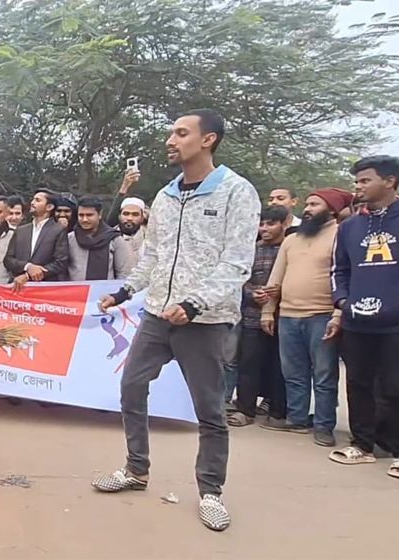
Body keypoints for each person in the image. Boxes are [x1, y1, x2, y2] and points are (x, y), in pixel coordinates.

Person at [93, 109, 260, 532]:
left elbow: (237, 262)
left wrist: (195, 303)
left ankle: (211, 492)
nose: (171, 140)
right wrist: (126, 292)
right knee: (131, 387)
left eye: (181, 133)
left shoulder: (237, 192)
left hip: (204, 321)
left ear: (208, 140)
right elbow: (153, 256)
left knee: (209, 409)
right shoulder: (165, 197)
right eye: (171, 133)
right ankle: (136, 469)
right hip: (156, 316)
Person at [330, 156, 399, 481]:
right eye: (357, 181)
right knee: (357, 384)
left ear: (389, 181)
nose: (358, 187)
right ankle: (362, 446)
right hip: (358, 321)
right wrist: (343, 302)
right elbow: (339, 269)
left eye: (365, 180)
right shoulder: (350, 226)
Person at [259, 188, 350, 445]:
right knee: (293, 373)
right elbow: (275, 278)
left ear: (331, 209)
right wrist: (268, 311)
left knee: (324, 375)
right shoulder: (292, 239)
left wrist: (338, 314)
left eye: (315, 204)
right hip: (288, 315)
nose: (308, 209)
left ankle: (323, 426)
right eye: (307, 204)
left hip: (322, 315)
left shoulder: (341, 235)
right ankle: (297, 419)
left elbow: (345, 276)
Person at [226, 206, 288, 428]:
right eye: (261, 224)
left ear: (284, 224)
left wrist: (280, 292)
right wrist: (253, 293)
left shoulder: (290, 249)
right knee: (248, 365)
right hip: (252, 317)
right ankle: (245, 410)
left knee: (280, 367)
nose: (264, 229)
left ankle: (278, 412)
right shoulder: (251, 250)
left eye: (271, 224)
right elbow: (239, 280)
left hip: (284, 317)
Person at [3, 187, 69, 291]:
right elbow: (8, 259)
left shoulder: (58, 230)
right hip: (17, 289)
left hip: (44, 290)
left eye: (37, 200)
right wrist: (27, 266)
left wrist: (28, 275)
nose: (32, 203)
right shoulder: (21, 230)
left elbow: (60, 262)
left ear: (49, 207)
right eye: (33, 199)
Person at [67, 195, 135, 281]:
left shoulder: (115, 239)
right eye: (81, 215)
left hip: (106, 288)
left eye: (89, 215)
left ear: (99, 215)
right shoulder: (70, 239)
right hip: (76, 288)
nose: (84, 219)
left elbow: (123, 273)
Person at [115, 197, 147, 262]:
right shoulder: (108, 238)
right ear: (119, 216)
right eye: (126, 214)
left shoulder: (150, 240)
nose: (130, 218)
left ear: (142, 218)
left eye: (135, 214)